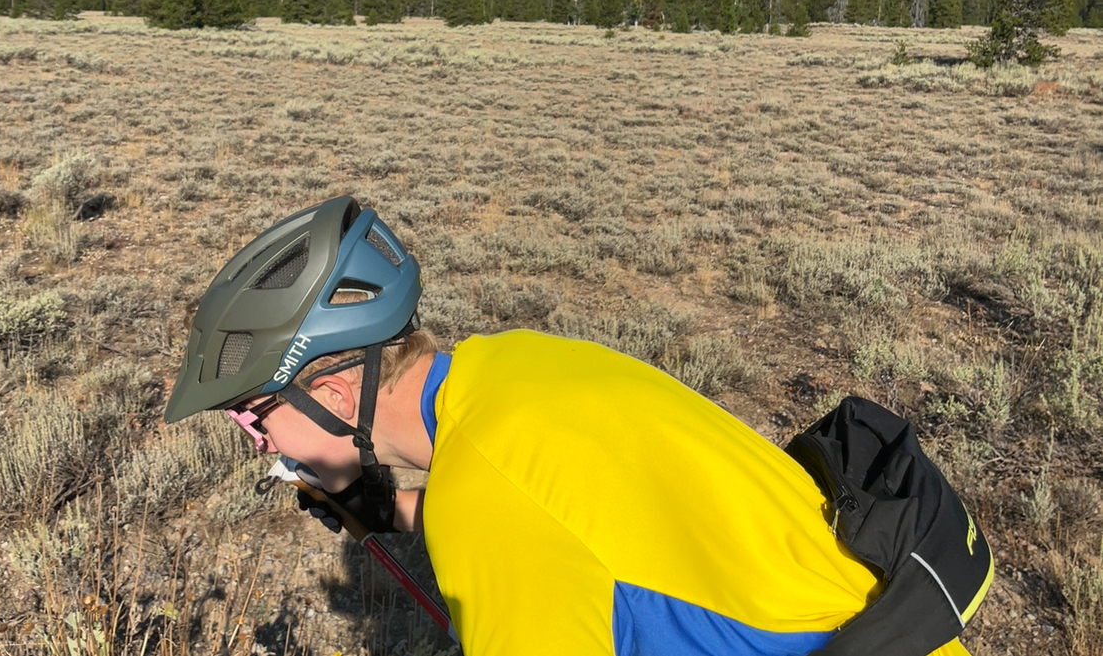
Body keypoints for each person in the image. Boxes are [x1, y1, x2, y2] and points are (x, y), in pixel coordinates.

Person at [166, 197, 989, 656]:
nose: (258, 443)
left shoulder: (483, 502)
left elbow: (509, 514)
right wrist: (398, 510)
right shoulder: (513, 366)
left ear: (337, 393)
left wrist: (442, 515)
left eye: (253, 413)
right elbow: (573, 518)